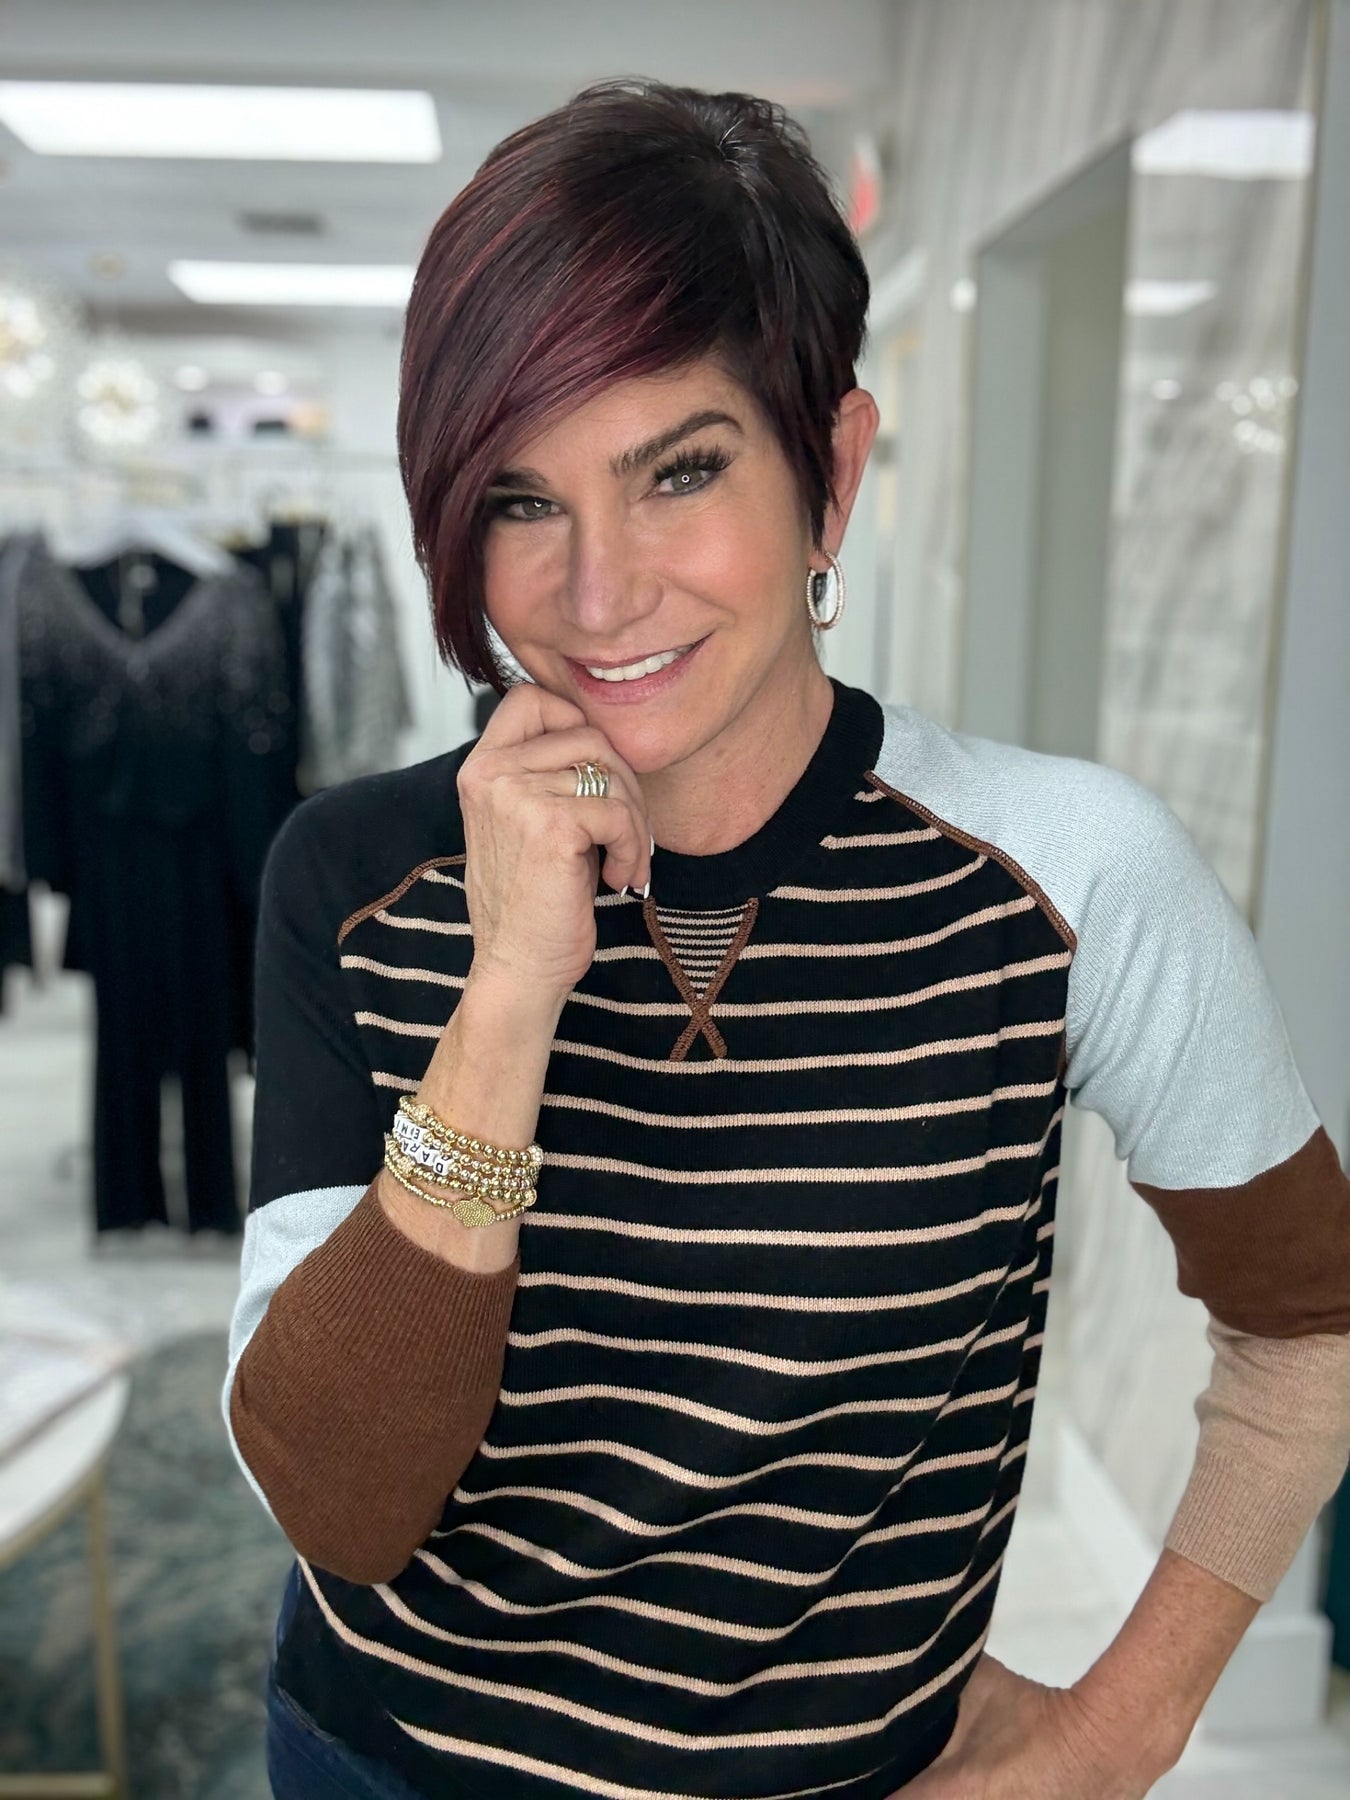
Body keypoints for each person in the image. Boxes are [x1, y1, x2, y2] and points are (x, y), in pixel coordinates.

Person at [223, 76, 1350, 1800]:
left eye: (678, 472)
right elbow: (341, 1506)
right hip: (385, 1760)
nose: (597, 594)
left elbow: (1310, 1314)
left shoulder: (1069, 874)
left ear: (830, 472)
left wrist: (1120, 1730)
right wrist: (508, 994)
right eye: (520, 500)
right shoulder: (355, 878)